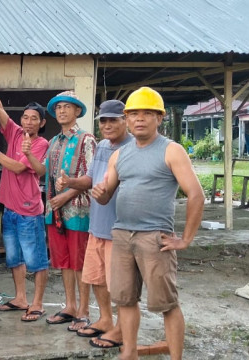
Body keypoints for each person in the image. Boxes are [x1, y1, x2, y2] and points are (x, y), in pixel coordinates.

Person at [91, 87, 204, 360]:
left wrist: (186, 239)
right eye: (134, 114)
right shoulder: (119, 155)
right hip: (121, 235)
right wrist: (101, 193)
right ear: (127, 118)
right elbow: (106, 196)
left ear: (159, 118)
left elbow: (196, 195)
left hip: (155, 238)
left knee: (167, 303)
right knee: (125, 300)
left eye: (147, 113)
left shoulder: (171, 150)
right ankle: (129, 353)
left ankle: (176, 358)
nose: (139, 119)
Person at [56, 100, 131, 349]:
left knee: (118, 283)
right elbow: (91, 179)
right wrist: (70, 182)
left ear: (126, 120)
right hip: (96, 224)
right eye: (104, 121)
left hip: (119, 227)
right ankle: (106, 320)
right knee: (97, 277)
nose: (107, 125)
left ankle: (121, 329)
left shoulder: (133, 147)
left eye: (113, 120)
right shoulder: (102, 147)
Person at [0, 66, 50, 322]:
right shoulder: (15, 133)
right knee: (14, 258)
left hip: (29, 211)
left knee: (36, 260)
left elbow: (20, 167)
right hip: (10, 209)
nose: (28, 121)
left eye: (34, 118)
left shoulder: (41, 144)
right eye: (26, 117)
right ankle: (21, 298)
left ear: (42, 123)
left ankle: (37, 303)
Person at [41, 90, 96, 330]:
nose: (62, 111)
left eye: (67, 107)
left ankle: (84, 310)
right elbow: (42, 172)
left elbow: (92, 176)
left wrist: (65, 196)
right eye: (58, 107)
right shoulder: (53, 142)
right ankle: (70, 306)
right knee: (63, 262)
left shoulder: (87, 139)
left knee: (80, 262)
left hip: (78, 210)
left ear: (77, 111)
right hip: (54, 211)